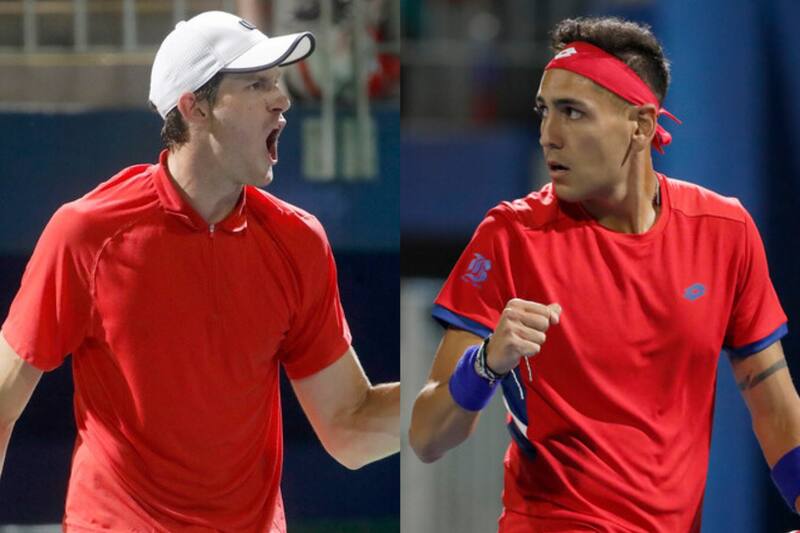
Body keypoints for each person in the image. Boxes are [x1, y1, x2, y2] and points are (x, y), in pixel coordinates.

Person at [0, 10, 399, 532]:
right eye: (258, 84)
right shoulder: (86, 233)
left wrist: (457, 389)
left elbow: (348, 425)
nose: (283, 101)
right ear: (195, 108)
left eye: (277, 83)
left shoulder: (299, 242)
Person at [409, 16, 799, 532]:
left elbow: (773, 405)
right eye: (544, 111)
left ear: (639, 124)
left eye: (572, 113)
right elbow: (426, 437)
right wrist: (486, 364)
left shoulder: (725, 230)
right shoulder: (510, 235)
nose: (549, 135)